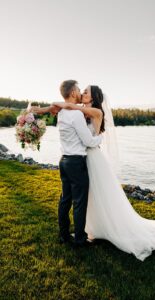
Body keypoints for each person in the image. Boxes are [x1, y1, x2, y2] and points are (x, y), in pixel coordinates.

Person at [52, 84, 155, 261]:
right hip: (81, 158)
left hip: (90, 157)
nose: (82, 93)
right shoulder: (80, 112)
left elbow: (86, 135)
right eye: (81, 90)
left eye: (86, 92)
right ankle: (84, 232)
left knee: (90, 195)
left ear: (94, 97)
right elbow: (73, 114)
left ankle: (85, 231)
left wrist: (98, 138)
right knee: (83, 197)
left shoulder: (95, 112)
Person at [31, 80, 102, 246]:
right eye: (78, 90)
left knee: (65, 199)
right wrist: (100, 138)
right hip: (76, 162)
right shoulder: (76, 114)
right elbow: (88, 141)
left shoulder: (62, 112)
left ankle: (64, 235)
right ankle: (79, 239)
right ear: (72, 93)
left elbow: (60, 106)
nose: (79, 92)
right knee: (79, 202)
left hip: (64, 161)